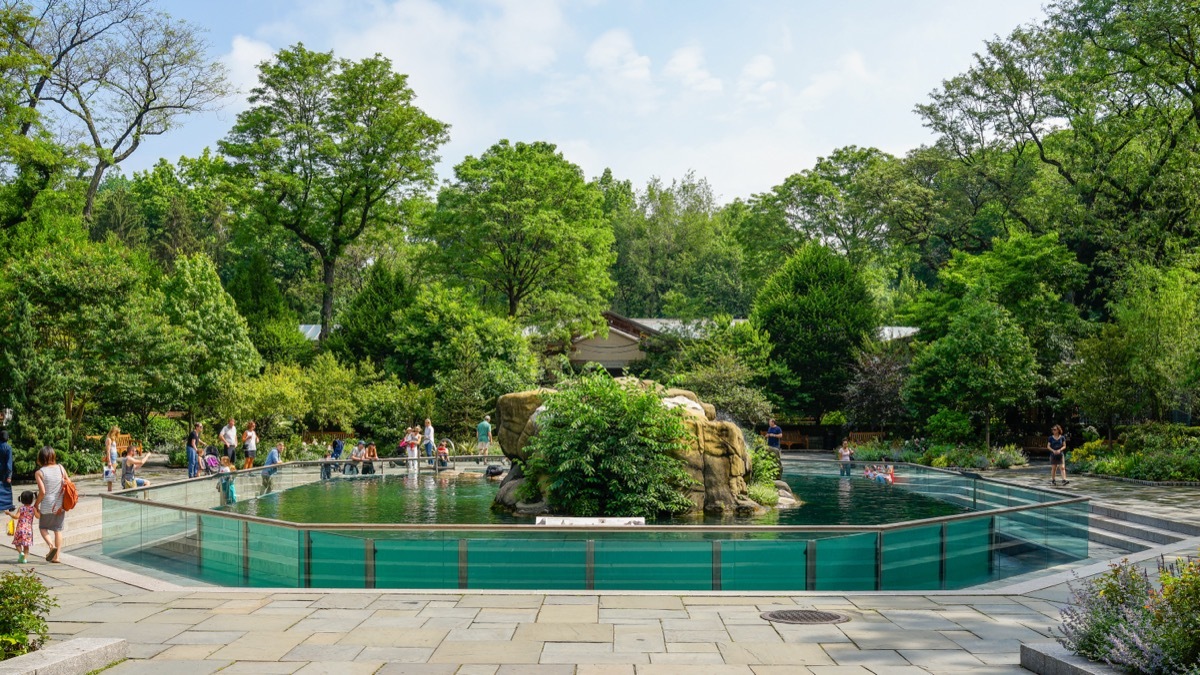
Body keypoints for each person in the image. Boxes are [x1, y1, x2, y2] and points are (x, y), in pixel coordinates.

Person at [34, 446, 67, 563]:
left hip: (47, 505)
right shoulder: (61, 468)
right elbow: (69, 484)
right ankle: (57, 557)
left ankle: (51, 545)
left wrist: (36, 504)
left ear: (41, 458)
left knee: (43, 527)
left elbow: (42, 492)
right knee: (58, 530)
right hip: (60, 505)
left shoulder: (39, 472)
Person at [6, 490, 35, 564]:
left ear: (21, 500)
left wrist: (9, 513)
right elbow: (38, 516)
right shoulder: (33, 509)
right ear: (32, 500)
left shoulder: (21, 508)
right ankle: (24, 559)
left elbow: (16, 517)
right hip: (28, 530)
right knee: (26, 545)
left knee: (17, 543)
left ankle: (20, 553)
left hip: (20, 529)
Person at [103, 426, 120, 493]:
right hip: (112, 457)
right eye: (116, 433)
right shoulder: (109, 439)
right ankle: (109, 490)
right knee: (110, 474)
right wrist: (109, 461)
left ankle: (110, 489)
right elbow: (108, 450)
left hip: (114, 456)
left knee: (112, 473)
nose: (117, 435)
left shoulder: (113, 439)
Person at [0, 430, 13, 512]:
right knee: (6, 488)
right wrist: (9, 475)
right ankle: (8, 505)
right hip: (4, 472)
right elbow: (9, 462)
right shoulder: (8, 447)